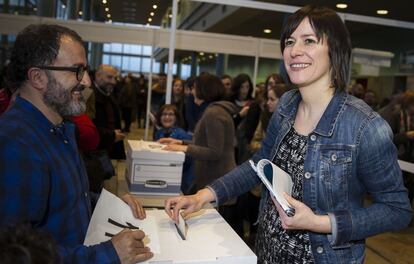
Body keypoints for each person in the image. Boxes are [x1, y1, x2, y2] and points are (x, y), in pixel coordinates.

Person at [164, 6, 412, 264]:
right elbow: (259, 164)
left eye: (309, 41)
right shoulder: (286, 105)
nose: (294, 51)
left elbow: (397, 210)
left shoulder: (364, 126)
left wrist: (319, 222)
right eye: (290, 41)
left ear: (335, 50)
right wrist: (204, 195)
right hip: (268, 252)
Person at [0, 24, 153, 263]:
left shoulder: (61, 130)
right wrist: (107, 254)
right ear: (38, 77)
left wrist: (109, 205)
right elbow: (15, 254)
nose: (88, 82)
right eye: (77, 70)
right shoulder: (14, 144)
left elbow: (64, 200)